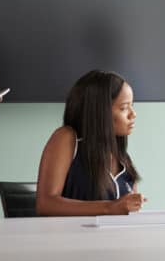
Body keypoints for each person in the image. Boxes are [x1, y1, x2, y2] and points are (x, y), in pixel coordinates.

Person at [36, 70, 146, 215]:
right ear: (99, 110)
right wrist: (109, 207)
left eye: (132, 105)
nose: (133, 114)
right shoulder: (67, 139)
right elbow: (45, 204)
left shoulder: (123, 159)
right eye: (124, 108)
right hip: (71, 237)